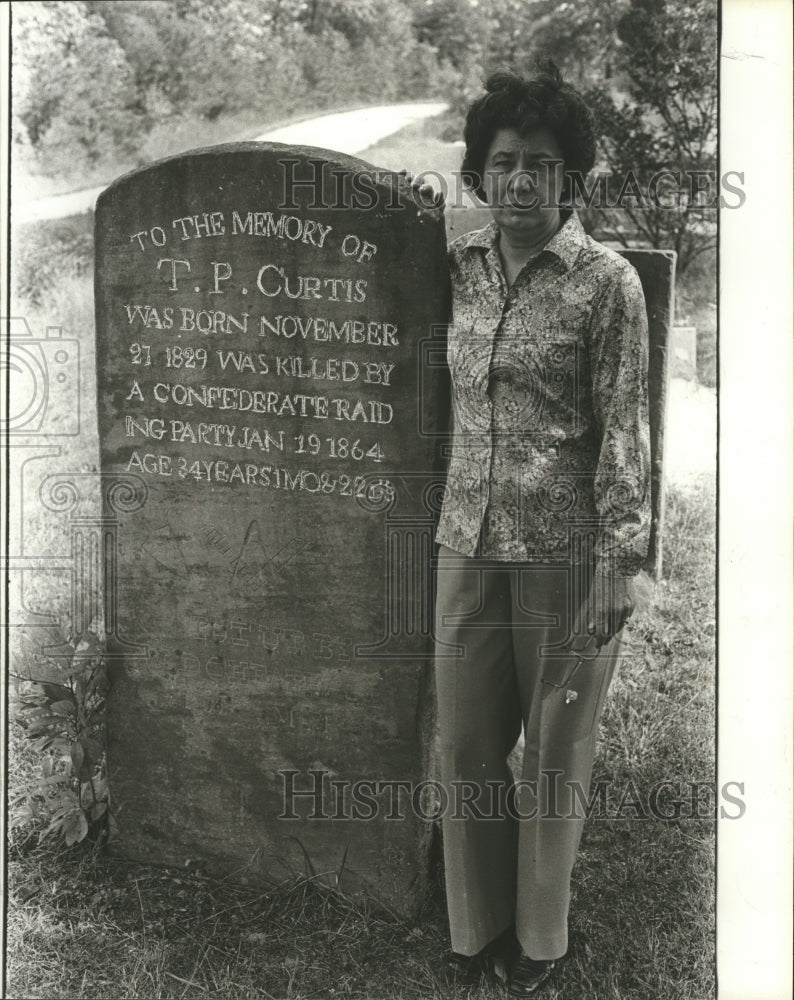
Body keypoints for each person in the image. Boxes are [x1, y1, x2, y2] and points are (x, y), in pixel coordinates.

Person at [432, 62, 652, 996]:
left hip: (566, 555)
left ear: (573, 179)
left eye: (546, 166)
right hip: (465, 543)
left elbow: (625, 426)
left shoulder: (608, 286)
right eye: (506, 162)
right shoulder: (459, 262)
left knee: (556, 751)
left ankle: (539, 941)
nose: (524, 182)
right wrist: (413, 203)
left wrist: (621, 563)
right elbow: (386, 239)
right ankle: (474, 928)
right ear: (482, 173)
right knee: (470, 744)